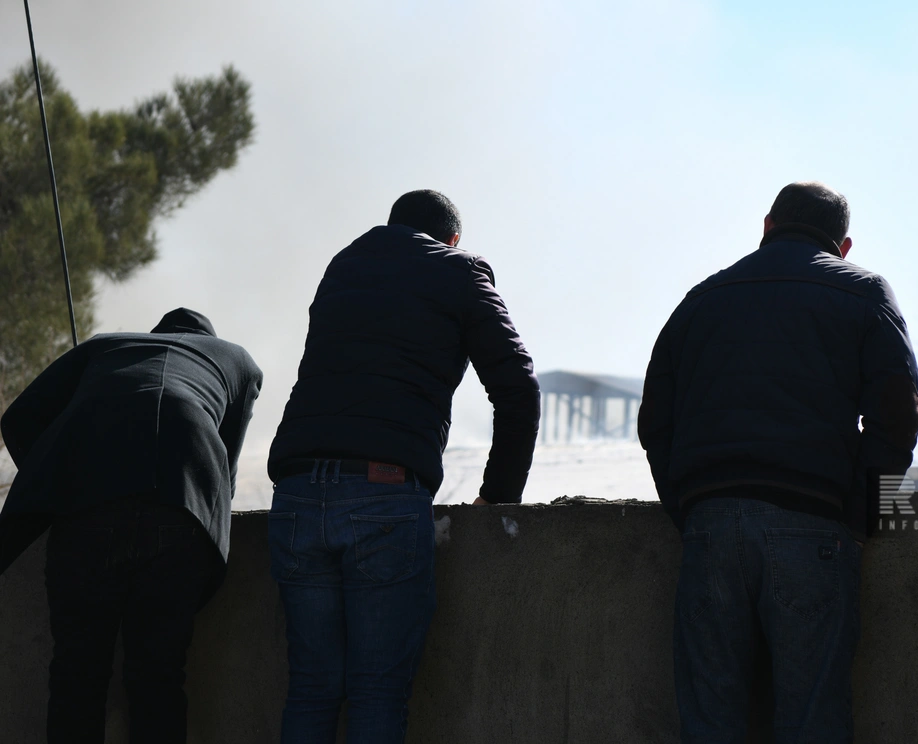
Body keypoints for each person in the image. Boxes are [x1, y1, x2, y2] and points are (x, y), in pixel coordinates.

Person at [639, 182, 918, 742]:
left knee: (709, 723)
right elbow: (897, 416)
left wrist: (690, 508)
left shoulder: (703, 297)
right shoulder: (863, 291)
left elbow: (656, 420)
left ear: (767, 226)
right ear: (843, 246)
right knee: (812, 720)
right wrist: (860, 514)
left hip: (710, 524)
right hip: (812, 521)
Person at [267, 189, 540, 742]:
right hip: (384, 490)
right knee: (376, 692)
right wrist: (498, 496)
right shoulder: (460, 270)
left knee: (312, 688)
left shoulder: (343, 266)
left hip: (297, 492)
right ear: (452, 239)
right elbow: (518, 389)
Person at [0, 307, 262, 744]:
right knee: (158, 678)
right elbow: (225, 471)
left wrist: (58, 479)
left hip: (87, 511)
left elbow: (18, 419)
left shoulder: (104, 346)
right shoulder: (236, 360)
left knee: (76, 676)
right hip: (179, 511)